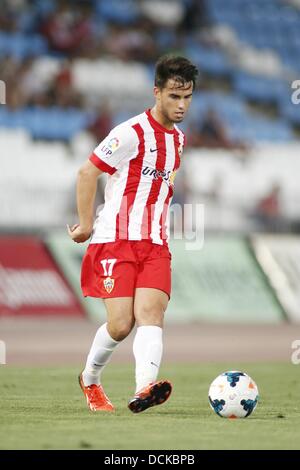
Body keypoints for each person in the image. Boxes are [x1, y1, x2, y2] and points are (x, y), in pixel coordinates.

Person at [67, 55, 198, 413]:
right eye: (174, 96)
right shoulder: (130, 132)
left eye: (187, 96)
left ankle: (145, 388)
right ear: (156, 92)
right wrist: (86, 224)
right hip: (114, 239)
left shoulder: (179, 140)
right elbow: (86, 174)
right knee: (121, 324)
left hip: (156, 244)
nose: (181, 104)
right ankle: (90, 379)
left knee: (152, 314)